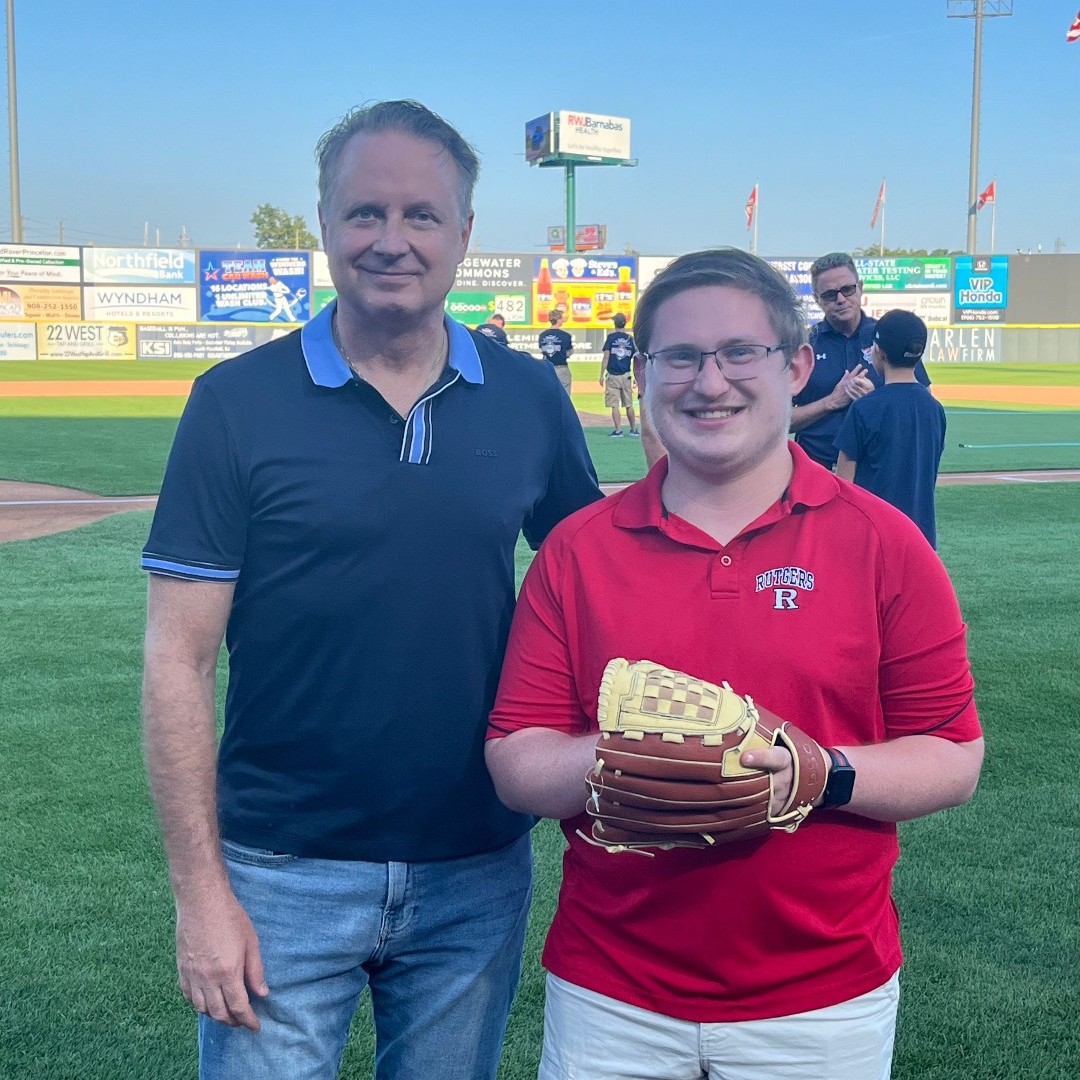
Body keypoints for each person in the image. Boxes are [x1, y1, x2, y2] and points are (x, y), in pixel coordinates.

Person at [141, 99, 601, 1080]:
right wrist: (200, 895)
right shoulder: (236, 402)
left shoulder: (530, 399)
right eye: (364, 213)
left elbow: (597, 586)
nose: (391, 240)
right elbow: (177, 660)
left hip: (475, 866)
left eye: (421, 215)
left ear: (465, 234)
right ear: (324, 223)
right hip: (279, 873)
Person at [485, 248, 983, 1080]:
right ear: (643, 373)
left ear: (793, 365)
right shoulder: (577, 551)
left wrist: (822, 774)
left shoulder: (884, 544)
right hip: (612, 995)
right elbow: (515, 757)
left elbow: (953, 755)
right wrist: (626, 760)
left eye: (738, 353)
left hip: (823, 999)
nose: (708, 382)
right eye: (679, 356)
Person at [791, 251, 930, 469]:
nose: (840, 299)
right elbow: (780, 421)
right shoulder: (803, 346)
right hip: (816, 469)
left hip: (879, 469)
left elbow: (923, 408)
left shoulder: (889, 335)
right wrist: (830, 402)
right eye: (829, 295)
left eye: (847, 289)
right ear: (817, 300)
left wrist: (876, 399)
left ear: (861, 287)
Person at [835, 309, 946, 548]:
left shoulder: (864, 408)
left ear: (879, 352)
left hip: (873, 536)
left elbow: (843, 484)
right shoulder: (935, 409)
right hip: (920, 538)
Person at [598, 312, 639, 437]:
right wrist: (636, 376)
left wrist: (601, 374)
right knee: (628, 404)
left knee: (614, 405)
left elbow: (606, 357)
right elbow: (636, 358)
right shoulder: (630, 339)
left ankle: (618, 430)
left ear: (614, 323)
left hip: (613, 376)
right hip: (626, 375)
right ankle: (633, 429)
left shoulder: (611, 338)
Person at [538, 307, 574, 393]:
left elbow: (542, 350)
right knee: (565, 395)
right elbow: (569, 352)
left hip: (547, 368)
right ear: (558, 320)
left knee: (549, 394)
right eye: (562, 318)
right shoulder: (565, 335)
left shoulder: (542, 335)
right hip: (561, 368)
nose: (563, 320)